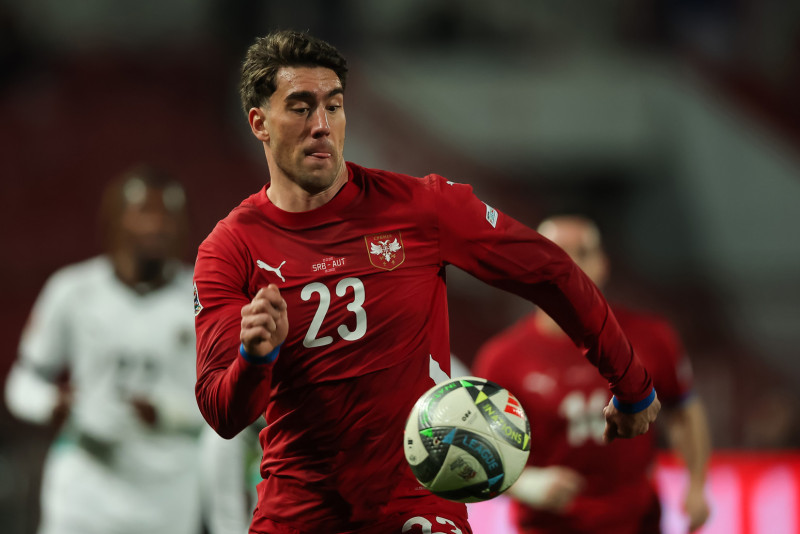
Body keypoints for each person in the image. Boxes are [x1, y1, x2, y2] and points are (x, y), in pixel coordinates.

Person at [193, 30, 661, 534]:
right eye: (302, 108)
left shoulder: (421, 208)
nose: (322, 126)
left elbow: (552, 270)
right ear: (259, 123)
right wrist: (254, 359)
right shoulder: (230, 249)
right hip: (300, 512)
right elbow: (223, 414)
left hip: (416, 505)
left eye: (334, 106)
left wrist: (631, 384)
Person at [473, 215, 712, 534]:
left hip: (636, 523)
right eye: (554, 252)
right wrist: (526, 483)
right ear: (528, 267)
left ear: (603, 264)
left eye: (583, 253)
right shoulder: (501, 359)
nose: (569, 264)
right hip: (548, 527)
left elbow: (684, 410)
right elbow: (478, 451)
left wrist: (696, 485)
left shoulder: (651, 337)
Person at [4, 166, 205, 534]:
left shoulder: (205, 298)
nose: (158, 225)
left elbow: (235, 402)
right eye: (145, 212)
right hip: (86, 487)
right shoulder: (72, 291)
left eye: (169, 214)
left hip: (169, 493)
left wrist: (167, 413)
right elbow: (23, 382)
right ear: (115, 220)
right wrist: (51, 403)